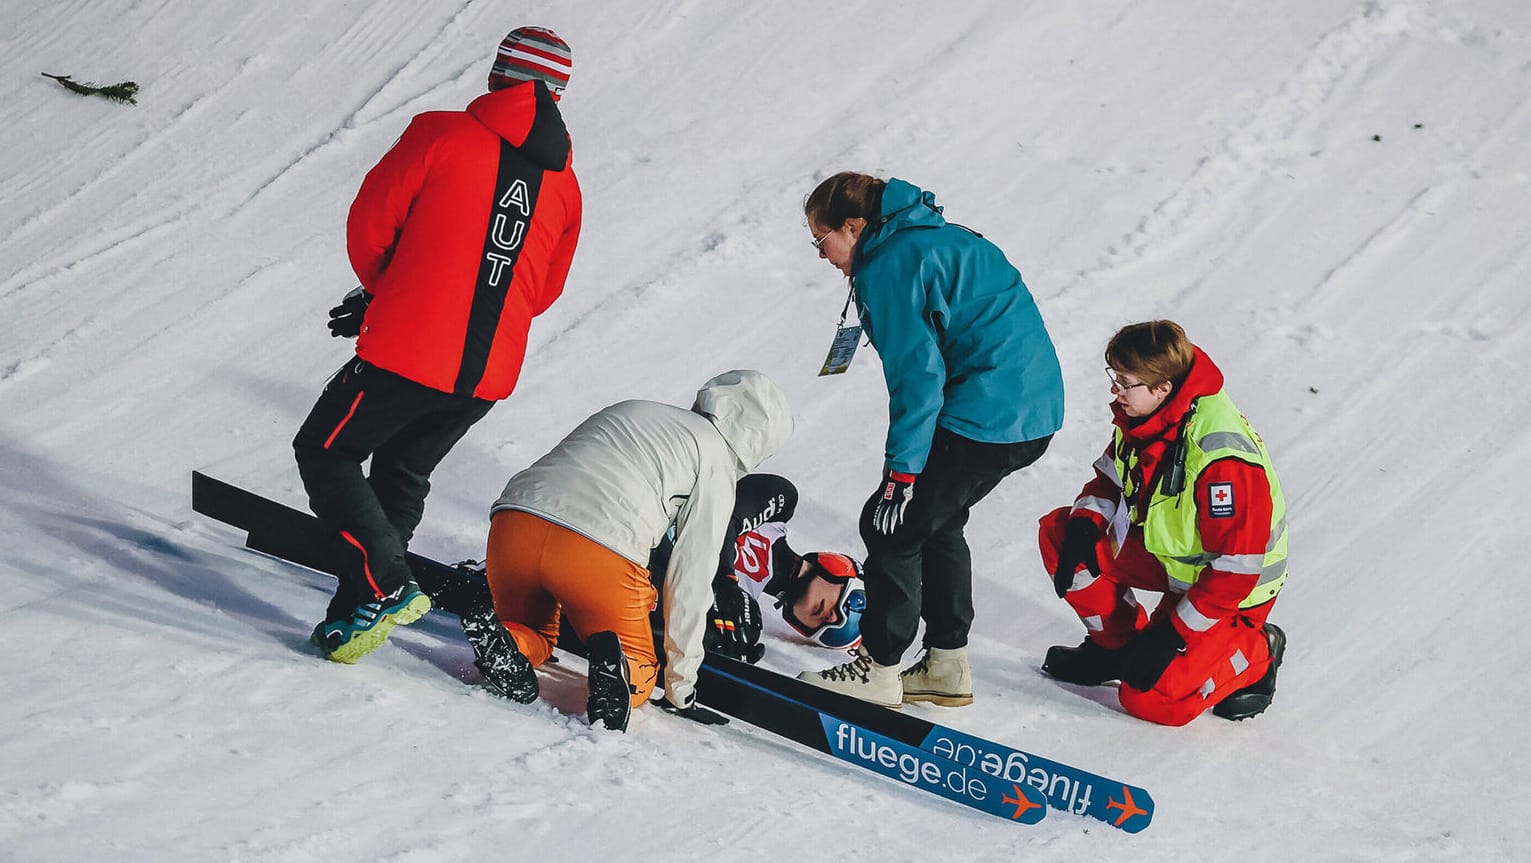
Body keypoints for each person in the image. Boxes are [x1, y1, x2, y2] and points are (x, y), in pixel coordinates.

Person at [292, 27, 582, 664]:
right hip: (485, 376)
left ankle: (388, 584)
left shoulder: (441, 133)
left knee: (325, 450)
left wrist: (388, 295)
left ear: (496, 78)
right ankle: (353, 617)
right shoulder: (566, 186)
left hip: (406, 352)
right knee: (403, 469)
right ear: (560, 96)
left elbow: (371, 224)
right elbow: (542, 290)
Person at [797, 172, 1064, 708]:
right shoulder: (930, 237)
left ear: (853, 226)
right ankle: (946, 665)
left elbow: (917, 380)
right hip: (1030, 409)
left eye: (821, 240)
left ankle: (878, 667)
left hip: (988, 413)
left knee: (891, 524)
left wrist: (901, 475)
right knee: (935, 522)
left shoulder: (891, 264)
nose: (822, 256)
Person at [458, 370, 794, 732]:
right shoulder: (716, 465)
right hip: (596, 552)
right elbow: (691, 581)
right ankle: (618, 669)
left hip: (513, 524)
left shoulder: (635, 408)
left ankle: (507, 642)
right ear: (759, 443)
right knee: (640, 667)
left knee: (534, 631)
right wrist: (681, 689)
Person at [1039, 320, 1288, 726]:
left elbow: (1236, 569)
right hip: (1172, 562)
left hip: (1229, 594)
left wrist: (1170, 636)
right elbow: (1110, 477)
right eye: (1114, 377)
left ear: (1162, 388)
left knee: (1152, 701)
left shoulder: (1221, 459)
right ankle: (1116, 648)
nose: (1114, 390)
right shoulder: (1148, 416)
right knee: (1061, 533)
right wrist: (1086, 524)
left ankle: (1259, 653)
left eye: (1125, 382)